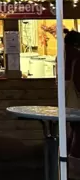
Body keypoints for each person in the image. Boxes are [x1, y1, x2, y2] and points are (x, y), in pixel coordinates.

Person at [61, 29, 80, 178]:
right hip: (75, 97)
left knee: (72, 129)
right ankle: (73, 166)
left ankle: (67, 160)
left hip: (67, 95)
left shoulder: (62, 53)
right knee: (77, 129)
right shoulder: (75, 55)